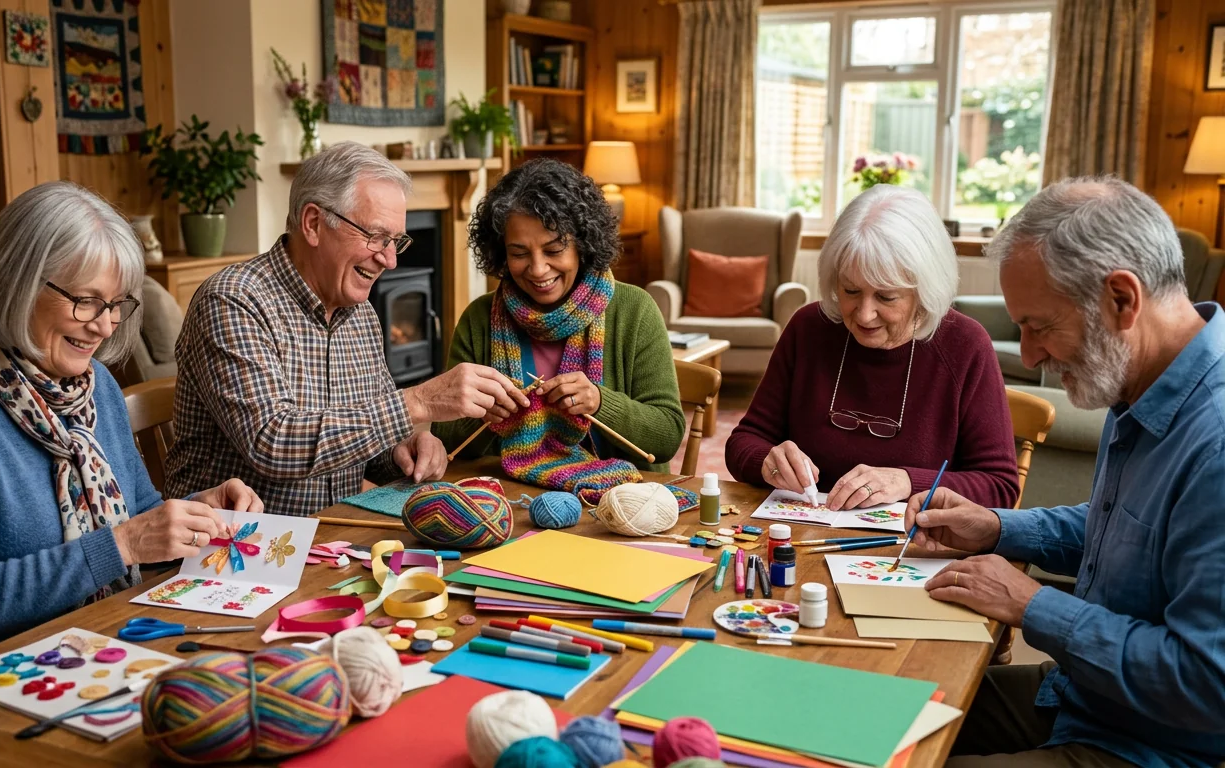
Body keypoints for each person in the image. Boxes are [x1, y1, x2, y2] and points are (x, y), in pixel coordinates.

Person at [0, 182, 262, 691]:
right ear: (15, 283)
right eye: (86, 301)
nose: (106, 326)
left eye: (117, 304)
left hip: (86, 648)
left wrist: (195, 516)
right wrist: (124, 544)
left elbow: (138, 515)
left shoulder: (93, 386)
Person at [907, 178, 1225, 768]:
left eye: (1040, 326)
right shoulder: (1141, 383)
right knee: (880, 707)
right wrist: (997, 528)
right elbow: (1129, 533)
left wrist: (1033, 606)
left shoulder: (1216, 445)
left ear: (1122, 299)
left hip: (1157, 746)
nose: (1028, 355)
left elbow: (1207, 684)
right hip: (1085, 697)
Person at [167, 142, 530, 514]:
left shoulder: (360, 314)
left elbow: (366, 449)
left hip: (330, 530)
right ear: (313, 224)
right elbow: (272, 444)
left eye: (395, 242)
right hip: (232, 541)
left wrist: (404, 450)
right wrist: (420, 403)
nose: (390, 260)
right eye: (376, 237)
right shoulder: (234, 300)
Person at [725, 184, 1018, 510]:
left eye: (886, 296)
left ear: (924, 289)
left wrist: (907, 481)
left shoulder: (965, 345)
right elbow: (743, 442)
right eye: (850, 291)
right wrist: (768, 460)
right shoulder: (809, 328)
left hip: (911, 539)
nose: (864, 315)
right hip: (804, 531)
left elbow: (1000, 486)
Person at [432, 159, 685, 471]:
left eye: (553, 250)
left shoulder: (635, 310)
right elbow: (445, 439)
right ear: (501, 252)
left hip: (619, 494)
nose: (538, 269)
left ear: (582, 243)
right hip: (514, 491)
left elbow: (667, 436)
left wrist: (600, 402)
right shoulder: (479, 318)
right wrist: (484, 415)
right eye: (519, 253)